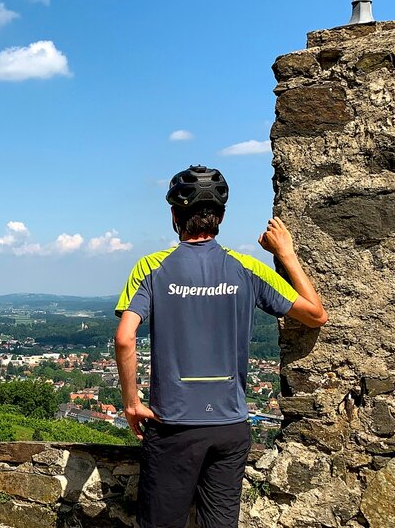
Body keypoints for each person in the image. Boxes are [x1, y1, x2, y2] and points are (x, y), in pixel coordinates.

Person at [113, 165, 327, 527]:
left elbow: (124, 338)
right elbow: (316, 315)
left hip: (173, 425)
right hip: (231, 424)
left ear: (173, 216)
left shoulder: (150, 267)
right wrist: (286, 254)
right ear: (222, 217)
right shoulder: (246, 267)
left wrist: (132, 403)